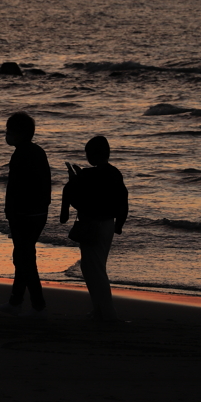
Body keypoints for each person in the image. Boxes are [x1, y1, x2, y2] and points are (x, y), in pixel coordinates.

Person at [60, 135, 128, 322]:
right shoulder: (114, 173)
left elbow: (78, 200)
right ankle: (99, 310)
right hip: (107, 225)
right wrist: (119, 224)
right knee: (94, 268)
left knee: (94, 270)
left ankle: (108, 314)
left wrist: (74, 181)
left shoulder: (88, 176)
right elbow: (123, 200)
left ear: (91, 155)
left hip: (92, 226)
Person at [0, 112, 52, 319]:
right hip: (38, 213)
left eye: (9, 131)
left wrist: (10, 211)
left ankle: (38, 305)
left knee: (24, 259)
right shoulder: (38, 151)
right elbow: (46, 184)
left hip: (24, 215)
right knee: (23, 256)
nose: (7, 135)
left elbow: (14, 188)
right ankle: (16, 301)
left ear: (19, 134)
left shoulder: (20, 154)